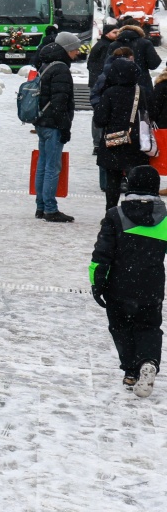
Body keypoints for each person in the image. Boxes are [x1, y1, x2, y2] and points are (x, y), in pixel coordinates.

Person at [91, 165, 167, 396]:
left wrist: (97, 282)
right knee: (149, 326)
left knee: (120, 327)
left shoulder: (116, 215)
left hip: (119, 285)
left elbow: (101, 254)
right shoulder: (164, 218)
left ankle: (131, 372)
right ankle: (149, 361)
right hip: (152, 285)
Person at [93, 52, 155, 212]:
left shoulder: (110, 93)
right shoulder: (143, 92)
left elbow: (99, 120)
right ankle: (135, 212)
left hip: (115, 141)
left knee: (113, 180)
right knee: (136, 178)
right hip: (138, 142)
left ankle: (111, 212)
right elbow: (152, 114)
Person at [33, 31, 79, 223]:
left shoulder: (47, 64)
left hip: (43, 122)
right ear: (67, 49)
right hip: (53, 124)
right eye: (75, 49)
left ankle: (41, 206)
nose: (77, 52)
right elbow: (60, 102)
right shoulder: (61, 69)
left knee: (43, 165)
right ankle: (50, 209)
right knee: (52, 166)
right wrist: (65, 127)